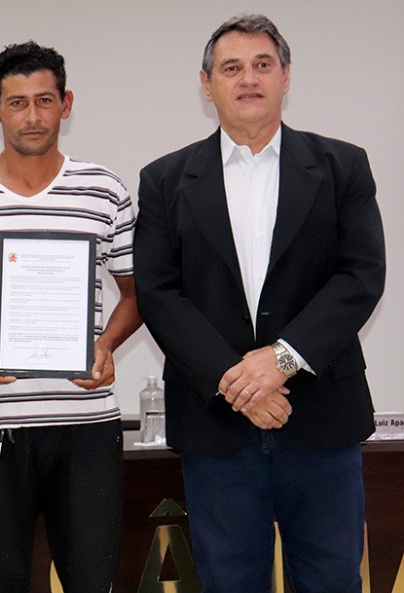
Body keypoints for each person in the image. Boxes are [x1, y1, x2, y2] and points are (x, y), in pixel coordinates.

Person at [134, 14, 385, 593]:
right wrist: (236, 381)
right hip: (217, 429)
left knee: (332, 581)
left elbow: (361, 276)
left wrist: (282, 360)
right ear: (207, 84)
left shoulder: (342, 166)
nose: (248, 78)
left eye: (262, 65)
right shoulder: (165, 179)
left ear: (286, 76)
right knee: (228, 583)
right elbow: (159, 293)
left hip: (322, 421)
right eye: (231, 68)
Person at [0, 41, 141, 593]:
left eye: (44, 100)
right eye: (17, 103)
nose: (32, 116)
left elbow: (137, 294)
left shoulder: (104, 191)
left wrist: (106, 344)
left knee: (93, 582)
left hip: (85, 426)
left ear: (66, 103)